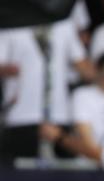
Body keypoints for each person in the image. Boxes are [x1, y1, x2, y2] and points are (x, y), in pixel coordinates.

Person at [0, 20, 93, 162]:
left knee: (62, 171)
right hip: (19, 115)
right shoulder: (10, 24)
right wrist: (8, 70)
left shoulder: (64, 24)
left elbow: (81, 64)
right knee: (19, 171)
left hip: (59, 114)